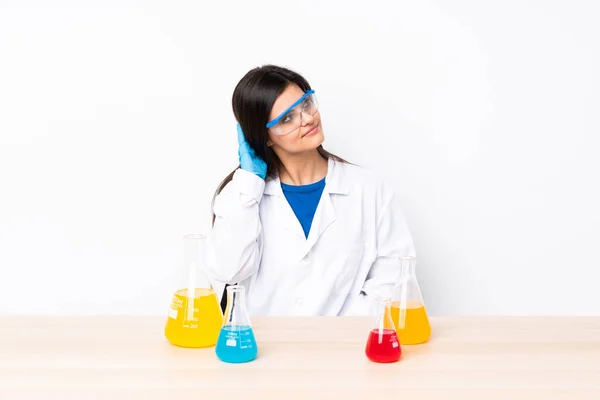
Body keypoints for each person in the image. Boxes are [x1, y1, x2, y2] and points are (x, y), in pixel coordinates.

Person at [205, 65, 416, 316]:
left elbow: (393, 280)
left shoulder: (369, 188)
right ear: (266, 137)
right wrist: (249, 182)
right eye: (287, 118)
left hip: (348, 347)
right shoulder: (241, 196)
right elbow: (228, 272)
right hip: (265, 349)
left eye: (305, 104)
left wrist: (333, 338)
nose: (307, 118)